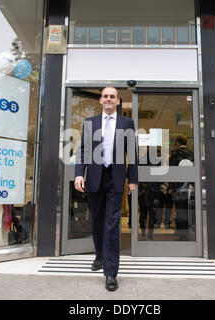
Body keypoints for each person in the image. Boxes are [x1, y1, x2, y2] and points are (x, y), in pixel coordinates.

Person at [74, 87, 138, 291]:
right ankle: (100, 256)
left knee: (111, 224)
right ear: (101, 100)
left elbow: (132, 152)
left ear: (118, 101)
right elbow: (83, 150)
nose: (109, 99)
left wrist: (132, 179)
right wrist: (78, 174)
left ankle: (111, 272)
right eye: (106, 96)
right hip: (94, 176)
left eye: (112, 96)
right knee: (96, 221)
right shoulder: (89, 123)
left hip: (115, 178)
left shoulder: (127, 123)